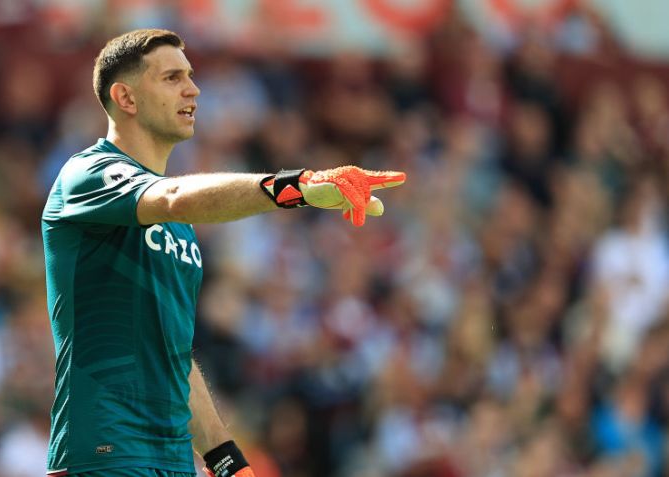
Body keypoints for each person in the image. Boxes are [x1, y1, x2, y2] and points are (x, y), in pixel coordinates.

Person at [41, 28, 405, 477]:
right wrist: (296, 187)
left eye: (191, 76)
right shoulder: (88, 173)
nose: (193, 89)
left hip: (173, 460)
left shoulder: (179, 228)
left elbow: (172, 353)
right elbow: (173, 196)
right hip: (104, 452)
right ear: (126, 98)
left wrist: (225, 459)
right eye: (172, 78)